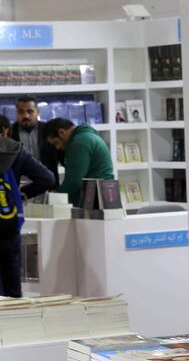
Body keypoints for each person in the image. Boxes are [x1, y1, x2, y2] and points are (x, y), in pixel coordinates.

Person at [0, 115, 56, 297]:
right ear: (6, 131)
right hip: (10, 225)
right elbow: (48, 178)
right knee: (13, 282)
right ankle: (17, 320)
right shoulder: (17, 152)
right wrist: (22, 195)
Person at [43, 118, 114, 205]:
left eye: (56, 143)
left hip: (94, 200)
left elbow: (74, 182)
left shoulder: (79, 143)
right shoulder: (87, 136)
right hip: (105, 194)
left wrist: (52, 198)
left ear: (61, 132)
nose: (57, 148)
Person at [11, 96, 60, 187]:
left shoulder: (49, 131)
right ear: (16, 113)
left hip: (47, 186)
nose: (26, 116)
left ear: (37, 112)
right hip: (17, 187)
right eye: (21, 112)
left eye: (30, 111)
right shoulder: (9, 133)